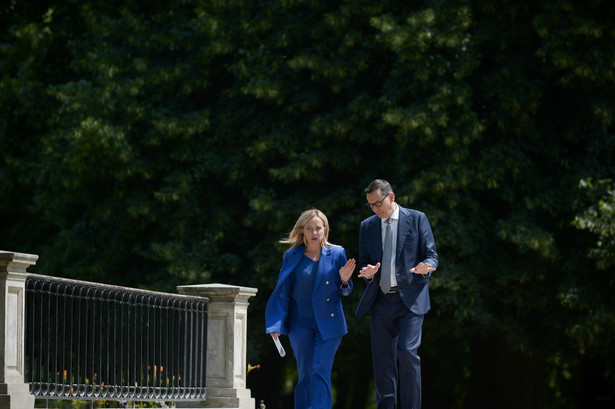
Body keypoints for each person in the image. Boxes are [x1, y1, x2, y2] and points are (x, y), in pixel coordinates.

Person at [355, 179, 438, 409]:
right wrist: (369, 273)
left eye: (378, 203)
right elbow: (364, 265)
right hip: (380, 300)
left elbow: (432, 256)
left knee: (408, 353)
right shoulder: (367, 226)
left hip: (410, 299)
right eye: (370, 205)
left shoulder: (417, 218)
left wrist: (425, 268)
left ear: (391, 197)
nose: (375, 208)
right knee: (383, 363)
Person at [265, 208, 356, 409]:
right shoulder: (291, 256)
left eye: (318, 228)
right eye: (309, 228)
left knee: (320, 371)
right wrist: (276, 324)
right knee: (305, 373)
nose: (314, 233)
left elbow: (346, 291)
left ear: (325, 229)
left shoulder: (338, 253)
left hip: (330, 325)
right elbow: (284, 292)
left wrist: (344, 280)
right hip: (300, 324)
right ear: (302, 231)